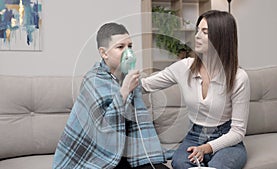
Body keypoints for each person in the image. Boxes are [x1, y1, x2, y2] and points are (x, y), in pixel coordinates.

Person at [141, 10, 250, 169]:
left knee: (220, 165)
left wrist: (206, 148)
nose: (197, 36)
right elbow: (145, 85)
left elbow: (238, 132)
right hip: (195, 136)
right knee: (180, 163)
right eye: (197, 30)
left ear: (221, 37)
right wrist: (114, 79)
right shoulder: (184, 67)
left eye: (204, 32)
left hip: (227, 139)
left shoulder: (239, 78)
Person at [52, 23, 170, 169]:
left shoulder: (131, 78)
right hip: (101, 154)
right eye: (120, 47)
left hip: (131, 152)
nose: (128, 52)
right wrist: (125, 90)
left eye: (130, 46)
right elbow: (103, 128)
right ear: (104, 53)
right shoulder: (93, 80)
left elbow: (139, 121)